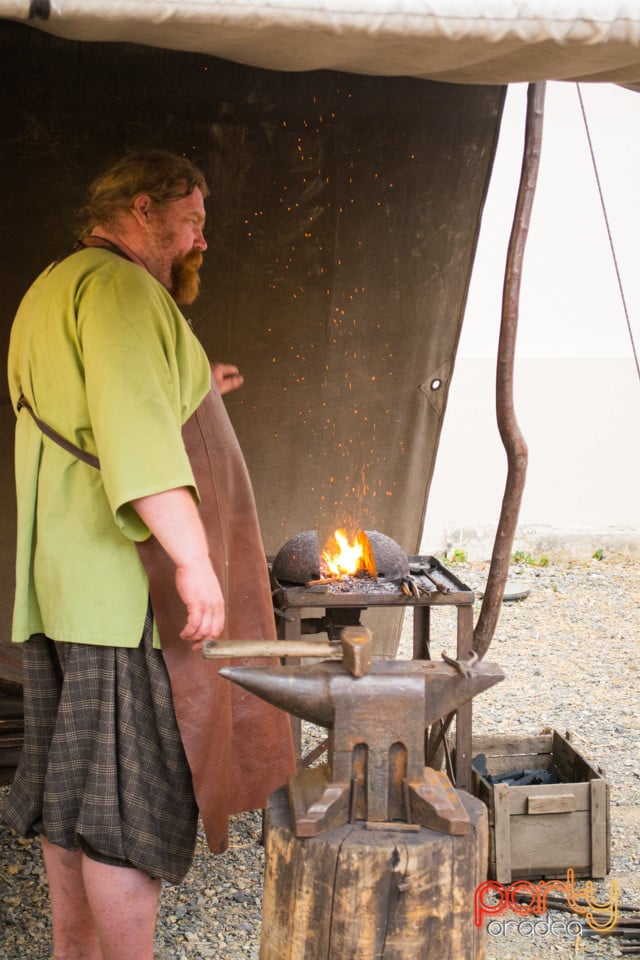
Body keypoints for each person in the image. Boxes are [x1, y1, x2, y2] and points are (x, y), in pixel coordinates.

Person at [3, 150, 294, 960]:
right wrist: (193, 561)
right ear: (142, 209)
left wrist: (197, 383)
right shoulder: (125, 288)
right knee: (125, 816)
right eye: (192, 217)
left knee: (71, 803)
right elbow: (130, 431)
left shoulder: (53, 286)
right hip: (121, 592)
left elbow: (96, 399)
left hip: (60, 590)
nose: (202, 236)